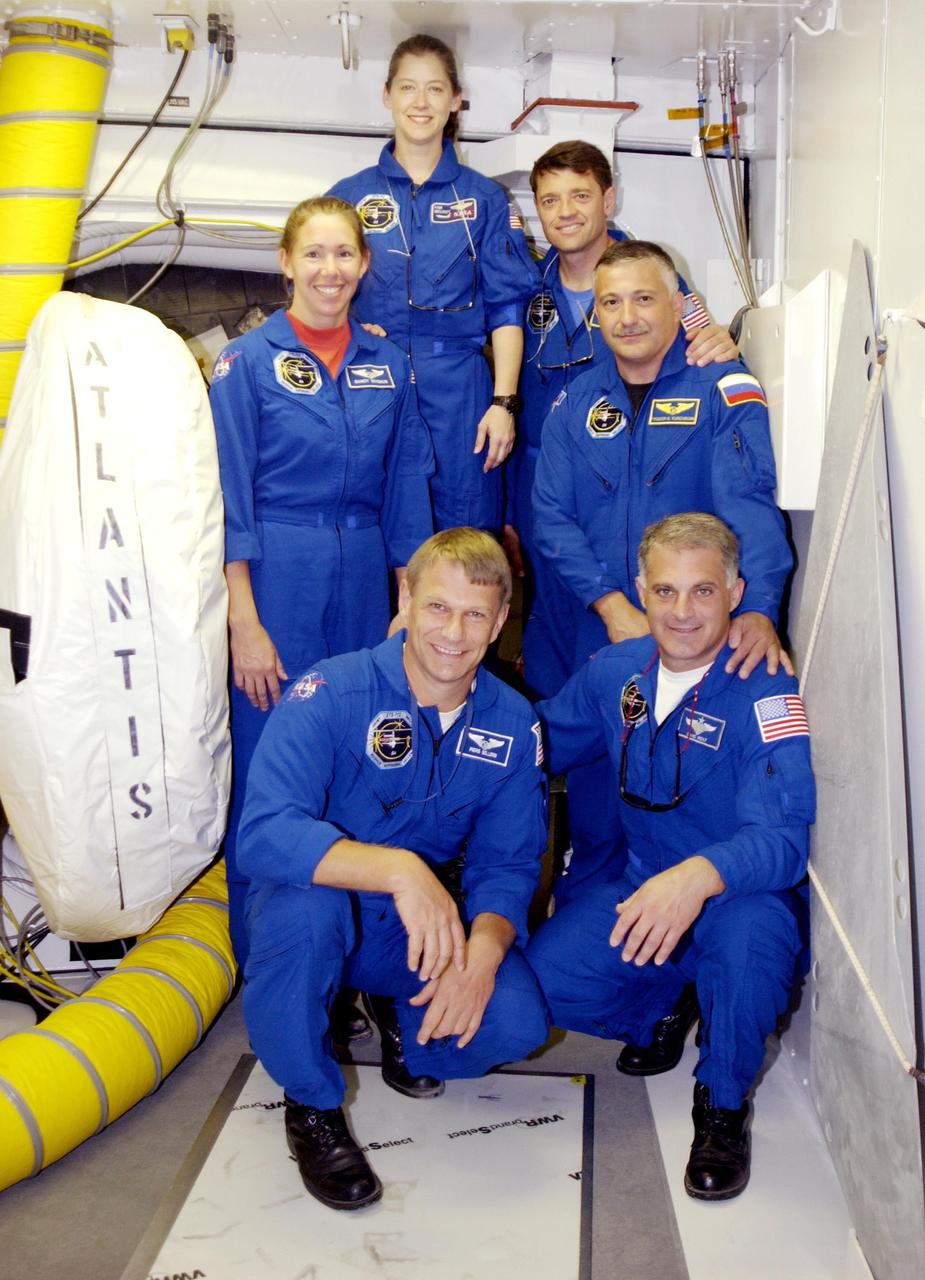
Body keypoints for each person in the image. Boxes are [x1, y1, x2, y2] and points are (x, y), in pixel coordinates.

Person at [238, 528, 550, 1211]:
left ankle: (401, 1016)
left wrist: (481, 957)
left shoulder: (511, 722)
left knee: (514, 1022)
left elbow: (508, 866)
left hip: (412, 931)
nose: (454, 632)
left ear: (500, 621)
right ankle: (311, 1104)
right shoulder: (330, 690)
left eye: (476, 614)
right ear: (404, 598)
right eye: (437, 606)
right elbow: (262, 833)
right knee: (304, 914)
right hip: (320, 910)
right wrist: (400, 871)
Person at [526, 513, 815, 1201]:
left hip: (732, 900)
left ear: (734, 592)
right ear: (640, 590)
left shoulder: (765, 689)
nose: (681, 612)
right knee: (539, 986)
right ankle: (668, 994)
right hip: (642, 888)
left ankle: (720, 1105)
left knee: (749, 948)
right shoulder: (615, 671)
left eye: (702, 592)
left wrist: (696, 877)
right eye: (664, 592)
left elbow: (783, 842)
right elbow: (538, 745)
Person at [532, 238, 793, 901]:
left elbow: (750, 509)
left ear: (678, 307)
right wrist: (608, 605)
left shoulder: (721, 391)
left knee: (691, 798)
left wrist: (758, 605)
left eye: (643, 299)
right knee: (595, 800)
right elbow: (551, 516)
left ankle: (681, 967)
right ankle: (592, 937)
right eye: (609, 302)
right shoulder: (571, 406)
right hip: (604, 632)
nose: (626, 317)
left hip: (692, 634)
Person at [209, 195, 434, 964]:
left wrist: (410, 598)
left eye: (344, 254)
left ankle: (360, 967)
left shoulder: (387, 365)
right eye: (315, 253)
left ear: (363, 265)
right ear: (285, 263)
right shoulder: (245, 365)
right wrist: (245, 620)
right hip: (278, 576)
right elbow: (228, 498)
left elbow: (407, 484)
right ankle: (269, 964)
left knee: (366, 762)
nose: (330, 269)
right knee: (272, 771)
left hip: (367, 575)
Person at [510, 140, 738, 701]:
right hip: (546, 483)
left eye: (580, 195)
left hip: (634, 479)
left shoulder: (656, 281)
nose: (565, 212)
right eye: (550, 200)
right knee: (555, 622)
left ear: (608, 200)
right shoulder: (526, 289)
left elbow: (709, 351)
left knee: (639, 622)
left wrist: (720, 341)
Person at [330, 34, 539, 533]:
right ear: (387, 96)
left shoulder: (485, 200)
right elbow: (322, 299)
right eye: (407, 88)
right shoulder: (347, 198)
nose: (420, 103)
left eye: (434, 89)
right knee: (368, 528)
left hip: (460, 394)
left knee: (465, 534)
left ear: (455, 101)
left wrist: (503, 403)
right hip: (371, 383)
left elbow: (506, 309)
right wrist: (352, 335)